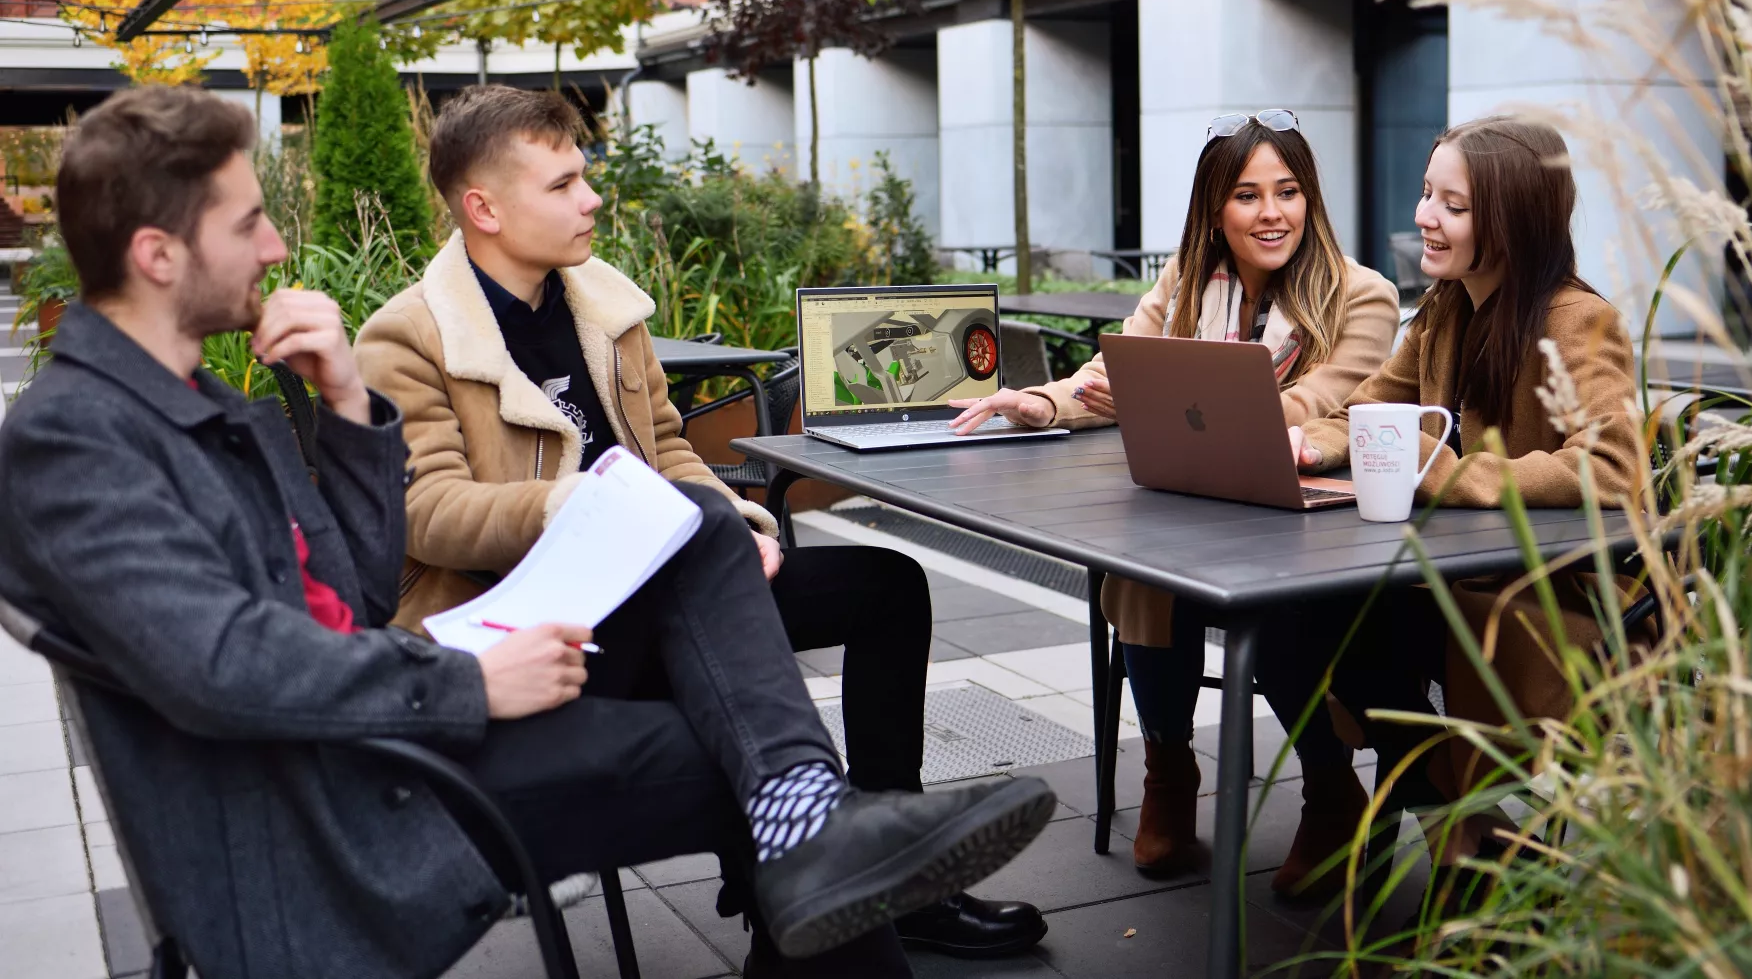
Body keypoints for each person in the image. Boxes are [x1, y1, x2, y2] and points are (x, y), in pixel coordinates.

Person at [0, 87, 1053, 979]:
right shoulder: (73, 442)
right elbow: (224, 667)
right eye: (247, 224)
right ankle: (815, 822)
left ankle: (811, 819)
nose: (276, 245)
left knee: (744, 679)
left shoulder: (183, 405)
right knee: (754, 768)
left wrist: (348, 403)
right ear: (155, 252)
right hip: (342, 806)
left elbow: (356, 589)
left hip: (374, 731)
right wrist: (469, 681)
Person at [352, 85, 1046, 961]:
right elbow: (427, 514)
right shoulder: (409, 337)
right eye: (563, 184)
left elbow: (671, 450)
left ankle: (879, 857)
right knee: (695, 572)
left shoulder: (605, 307)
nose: (591, 197)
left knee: (885, 586)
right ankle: (816, 838)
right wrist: (581, 507)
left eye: (585, 177)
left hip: (662, 578)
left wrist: (733, 520)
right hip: (531, 629)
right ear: (483, 207)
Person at [948, 109, 1402, 894]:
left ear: (1311, 199)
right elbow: (1113, 379)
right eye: (1249, 195)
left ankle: (1330, 786)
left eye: (1289, 192)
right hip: (1197, 505)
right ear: (1214, 209)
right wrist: (1043, 403)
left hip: (1304, 529)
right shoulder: (1188, 286)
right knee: (1139, 569)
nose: (1272, 213)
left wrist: (1185, 394)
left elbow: (1324, 407)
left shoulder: (1363, 296)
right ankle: (1168, 769)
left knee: (1279, 606)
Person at [1287, 114, 1646, 866]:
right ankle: (1459, 830)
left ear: (1512, 222)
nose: (1424, 216)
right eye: (1426, 194)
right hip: (1455, 573)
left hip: (1556, 592)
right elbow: (1367, 408)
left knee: (1360, 625)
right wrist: (1307, 439)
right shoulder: (1445, 310)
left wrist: (1446, 472)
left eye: (1452, 205)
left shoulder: (1580, 321)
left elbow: (1612, 466)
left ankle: (1452, 831)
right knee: (1307, 619)